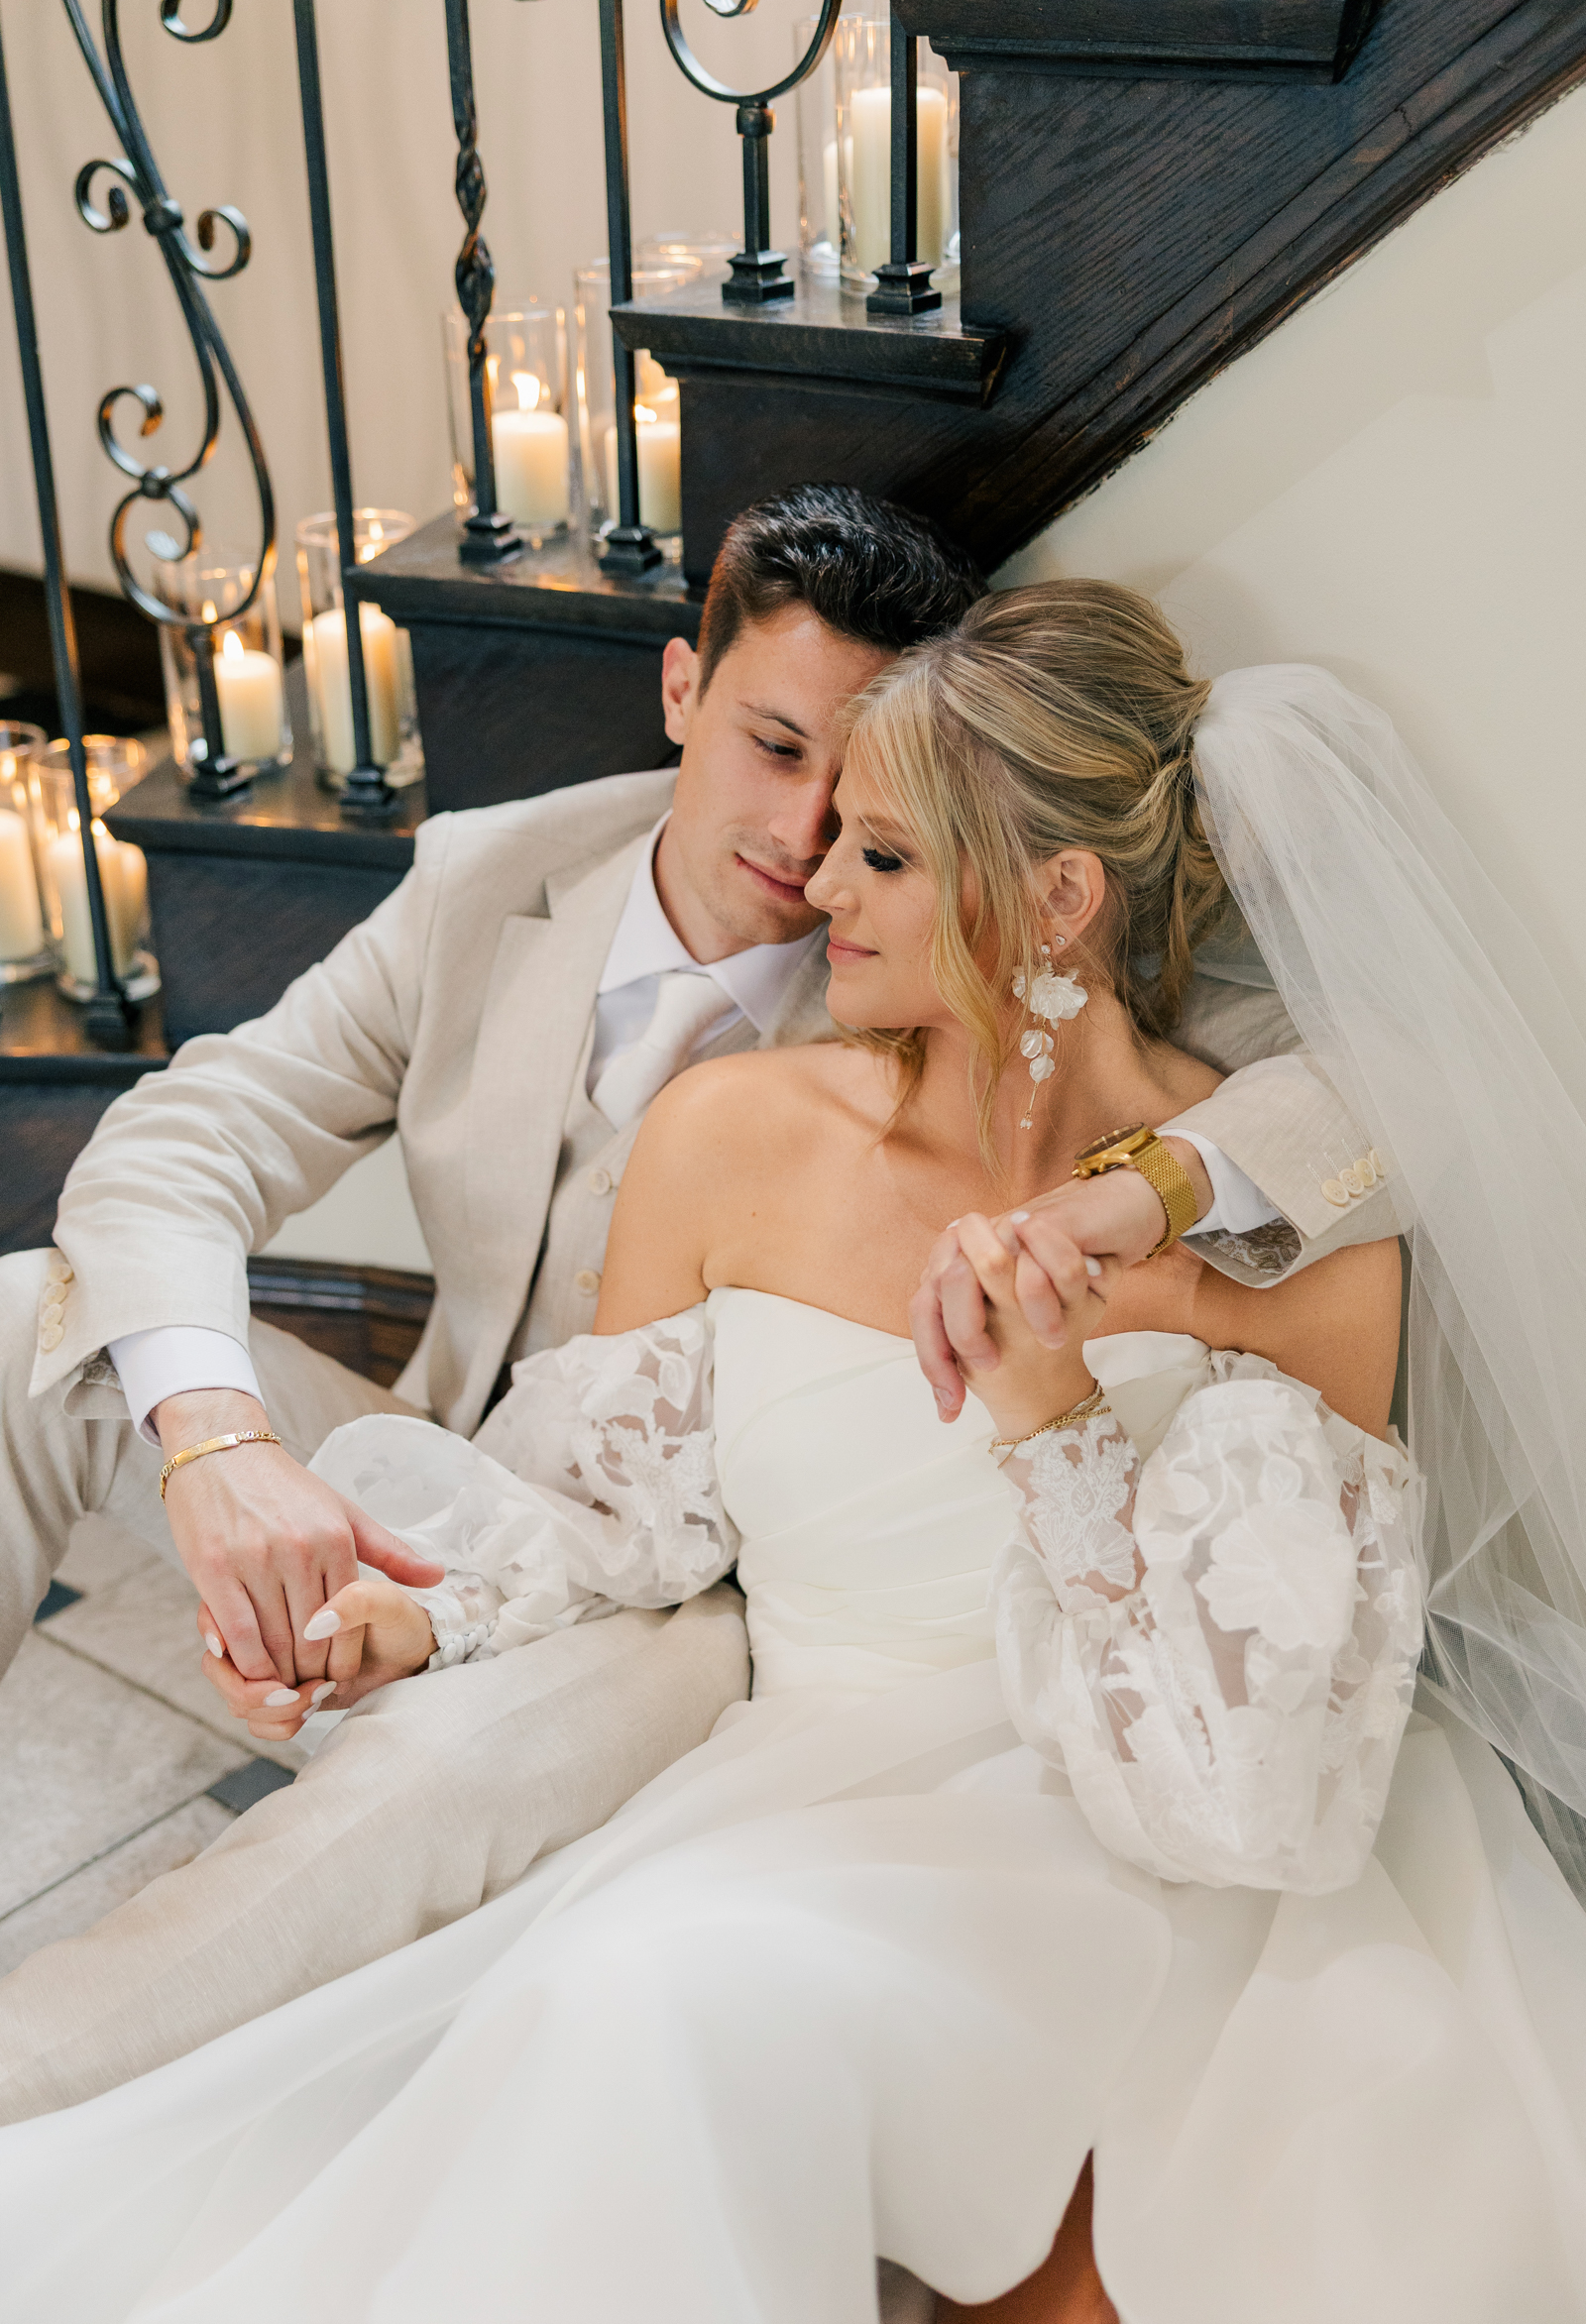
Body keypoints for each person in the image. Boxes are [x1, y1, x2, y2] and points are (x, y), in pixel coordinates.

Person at [6, 581, 1583, 2324]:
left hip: (1110, 1846)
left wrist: (1056, 1396)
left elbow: (1239, 1801)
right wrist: (424, 1614)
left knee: (646, 1986)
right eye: (813, 799)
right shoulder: (738, 1125)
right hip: (779, 1771)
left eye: (883, 853)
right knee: (599, 1997)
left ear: (1059, 897)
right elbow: (623, 1509)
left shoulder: (1287, 1218)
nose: (816, 874)